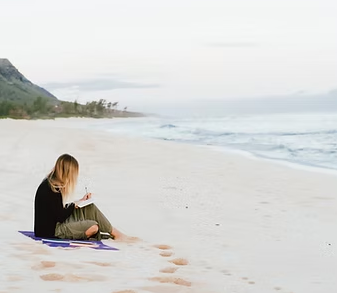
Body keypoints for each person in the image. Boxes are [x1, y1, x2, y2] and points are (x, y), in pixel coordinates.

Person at [34, 153, 135, 241]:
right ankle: (113, 234)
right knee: (93, 227)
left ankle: (116, 234)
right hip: (51, 232)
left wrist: (81, 201)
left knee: (89, 207)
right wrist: (74, 205)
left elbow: (56, 211)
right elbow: (60, 216)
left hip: (56, 224)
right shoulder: (52, 189)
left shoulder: (51, 183)